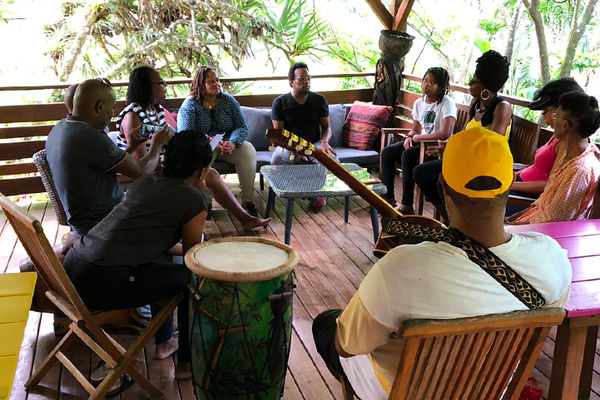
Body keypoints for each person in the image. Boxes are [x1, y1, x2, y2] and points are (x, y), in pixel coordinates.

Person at [312, 127, 571, 400]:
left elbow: (347, 346)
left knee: (327, 326)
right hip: (494, 390)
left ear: (443, 184)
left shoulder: (400, 269)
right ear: (510, 183)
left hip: (407, 393)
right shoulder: (552, 258)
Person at [63, 130, 212, 382]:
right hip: (102, 280)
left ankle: (165, 341)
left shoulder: (147, 181)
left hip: (75, 268)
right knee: (192, 281)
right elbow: (192, 258)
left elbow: (152, 241)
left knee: (162, 262)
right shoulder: (193, 199)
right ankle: (187, 363)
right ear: (202, 171)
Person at [116, 66, 269, 229]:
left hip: (163, 164)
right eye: (161, 82)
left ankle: (244, 216)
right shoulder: (133, 116)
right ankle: (193, 230)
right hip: (146, 173)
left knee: (210, 174)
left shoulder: (156, 110)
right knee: (200, 178)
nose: (165, 85)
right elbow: (141, 168)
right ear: (147, 86)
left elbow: (241, 126)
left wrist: (232, 141)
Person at [46, 78, 170, 236]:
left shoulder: (60, 128)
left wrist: (131, 146)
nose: (113, 114)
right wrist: (157, 144)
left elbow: (110, 163)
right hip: (103, 224)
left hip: (88, 219)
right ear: (99, 107)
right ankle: (188, 253)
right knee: (174, 205)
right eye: (112, 108)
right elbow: (142, 172)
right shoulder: (89, 137)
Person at [413, 50, 511, 222]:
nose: (470, 84)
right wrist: (449, 146)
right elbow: (467, 135)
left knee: (440, 179)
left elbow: (492, 146)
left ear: (487, 86)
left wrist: (454, 148)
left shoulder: (502, 107)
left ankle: (456, 222)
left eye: (474, 81)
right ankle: (450, 219)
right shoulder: (476, 103)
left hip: (485, 167)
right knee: (422, 173)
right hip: (467, 160)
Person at [507, 91, 600, 224]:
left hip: (545, 235)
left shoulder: (579, 170)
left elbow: (551, 221)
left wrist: (511, 228)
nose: (553, 119)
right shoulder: (568, 153)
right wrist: (511, 220)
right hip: (531, 224)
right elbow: (543, 202)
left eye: (556, 116)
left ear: (565, 125)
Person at [177, 66, 259, 217]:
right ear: (201, 84)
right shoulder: (190, 105)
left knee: (248, 150)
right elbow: (185, 133)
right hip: (202, 146)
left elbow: (241, 126)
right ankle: (205, 204)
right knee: (201, 158)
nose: (217, 84)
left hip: (227, 145)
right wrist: (208, 139)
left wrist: (233, 142)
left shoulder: (228, 101)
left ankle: (248, 201)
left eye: (218, 80)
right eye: (211, 81)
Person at [380, 67, 456, 213]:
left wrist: (419, 137)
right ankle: (388, 197)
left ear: (441, 87)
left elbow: (445, 133)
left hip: (436, 148)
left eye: (432, 82)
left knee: (407, 155)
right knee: (388, 152)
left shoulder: (447, 103)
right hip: (419, 143)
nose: (426, 84)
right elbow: (415, 129)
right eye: (425, 80)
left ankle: (407, 204)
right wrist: (409, 137)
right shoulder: (419, 103)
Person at [271, 62, 337, 211]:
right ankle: (310, 196)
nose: (306, 82)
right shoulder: (280, 102)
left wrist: (325, 142)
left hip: (314, 144)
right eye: (301, 79)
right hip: (289, 145)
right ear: (291, 82)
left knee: (332, 161)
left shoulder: (319, 100)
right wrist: (297, 149)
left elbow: (327, 127)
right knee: (276, 159)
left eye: (308, 78)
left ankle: (313, 192)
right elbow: (279, 136)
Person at [511, 78, 584, 196]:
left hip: (526, 196)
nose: (544, 117)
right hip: (520, 185)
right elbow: (536, 168)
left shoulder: (567, 144)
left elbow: (550, 184)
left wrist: (511, 186)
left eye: (545, 112)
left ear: (561, 111)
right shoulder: (556, 135)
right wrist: (516, 174)